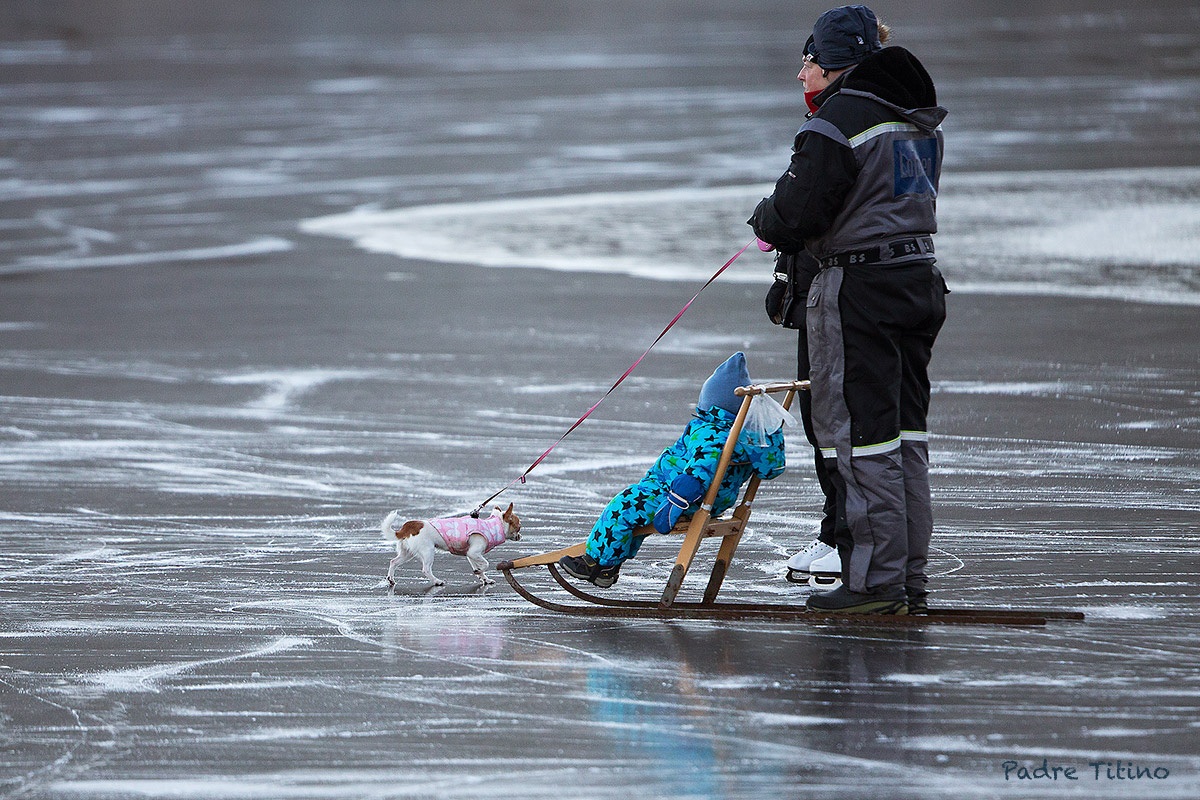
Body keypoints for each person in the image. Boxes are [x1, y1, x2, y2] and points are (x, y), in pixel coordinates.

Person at [749, 5, 948, 614]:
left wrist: (765, 220)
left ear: (833, 63)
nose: (801, 71)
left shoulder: (838, 122)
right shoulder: (914, 120)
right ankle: (905, 577)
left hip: (857, 290)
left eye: (808, 58)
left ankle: (872, 585)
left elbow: (797, 210)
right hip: (917, 282)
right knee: (903, 436)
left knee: (857, 439)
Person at [559, 352, 789, 588]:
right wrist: (772, 433)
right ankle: (609, 562)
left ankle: (599, 564)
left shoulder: (711, 433)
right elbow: (769, 469)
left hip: (682, 498)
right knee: (634, 510)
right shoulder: (744, 435)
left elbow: (698, 470)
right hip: (709, 498)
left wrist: (675, 502)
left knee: (623, 506)